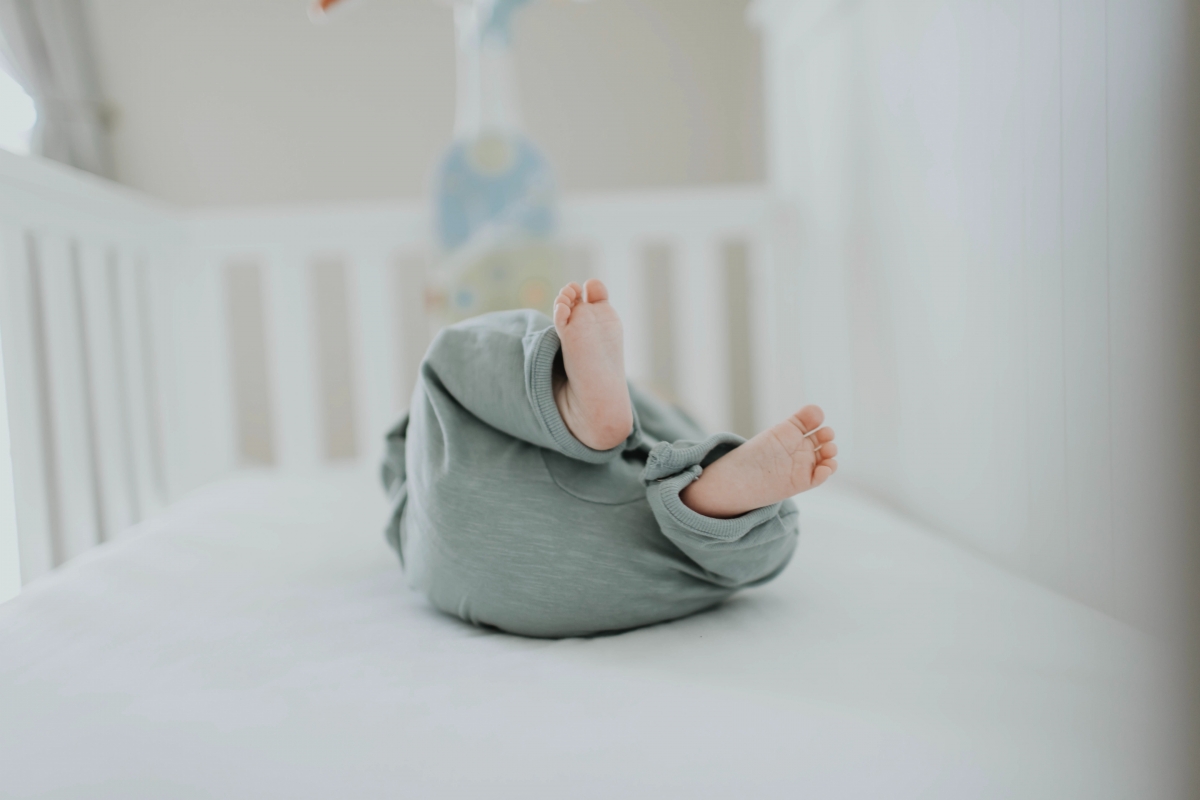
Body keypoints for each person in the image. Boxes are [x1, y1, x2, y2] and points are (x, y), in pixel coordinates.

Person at [381, 279, 838, 638]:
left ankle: (559, 397)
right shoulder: (678, 435)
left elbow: (397, 456)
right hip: (622, 564)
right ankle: (706, 509)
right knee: (771, 534)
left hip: (466, 563)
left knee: (452, 359)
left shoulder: (420, 490)